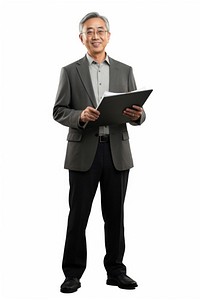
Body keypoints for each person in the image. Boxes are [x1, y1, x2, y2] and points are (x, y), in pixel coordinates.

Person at [53, 12, 146, 293]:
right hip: (84, 153)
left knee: (115, 216)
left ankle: (116, 271)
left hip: (116, 152)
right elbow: (58, 110)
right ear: (81, 38)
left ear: (108, 35)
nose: (95, 36)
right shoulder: (70, 71)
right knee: (78, 215)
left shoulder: (124, 70)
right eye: (89, 31)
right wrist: (80, 115)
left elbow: (138, 113)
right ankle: (72, 273)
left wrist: (138, 114)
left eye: (100, 30)